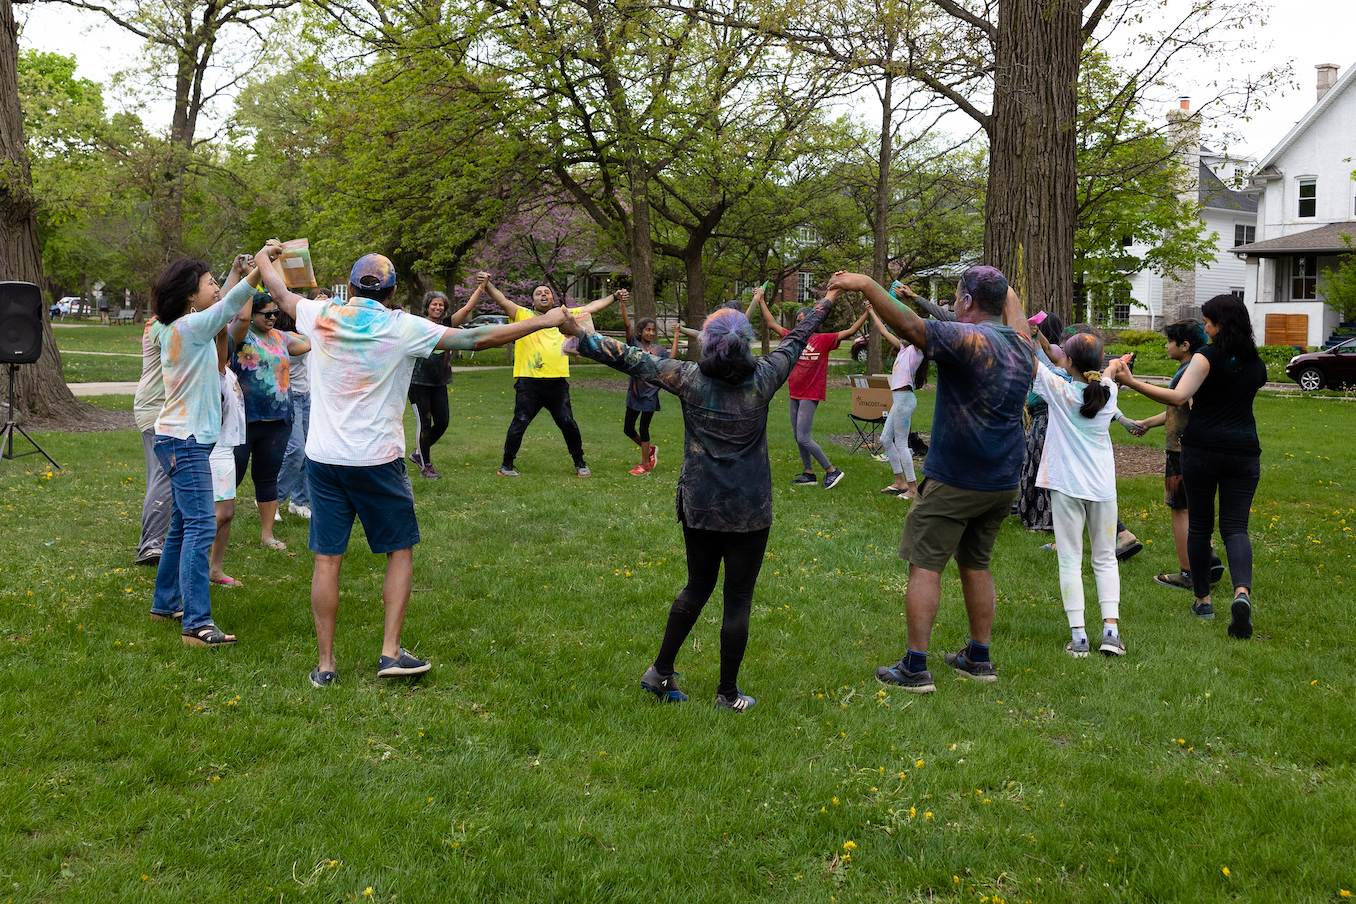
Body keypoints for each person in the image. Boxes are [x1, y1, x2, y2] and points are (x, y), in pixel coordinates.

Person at [254, 246, 575, 687]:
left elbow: (277, 289)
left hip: (325, 459)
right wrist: (546, 319)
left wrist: (264, 255)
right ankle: (389, 653)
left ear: (350, 287)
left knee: (327, 561)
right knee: (398, 550)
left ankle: (326, 666)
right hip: (377, 461)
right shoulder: (401, 326)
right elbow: (474, 340)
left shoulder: (321, 314)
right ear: (391, 291)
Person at [564, 287, 843, 711]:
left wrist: (579, 336)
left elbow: (629, 358)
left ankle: (660, 672)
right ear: (745, 342)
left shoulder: (688, 378)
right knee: (738, 598)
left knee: (697, 586)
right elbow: (797, 337)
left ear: (708, 344)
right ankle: (727, 694)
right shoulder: (765, 376)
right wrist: (828, 298)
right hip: (749, 510)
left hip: (700, 503)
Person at [828, 267, 1033, 693]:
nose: (956, 303)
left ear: (968, 302)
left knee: (926, 565)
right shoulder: (1022, 346)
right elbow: (1008, 308)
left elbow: (909, 325)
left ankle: (915, 668)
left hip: (956, 479)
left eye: (958, 296)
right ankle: (979, 657)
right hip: (1002, 480)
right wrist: (1003, 291)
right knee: (977, 564)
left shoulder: (968, 338)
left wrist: (866, 284)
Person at [1111, 294, 1266, 639]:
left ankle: (1203, 601)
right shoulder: (1256, 362)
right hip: (1244, 451)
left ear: (1221, 324)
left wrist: (1132, 383)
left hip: (1202, 450)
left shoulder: (1205, 357)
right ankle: (1242, 594)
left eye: (1209, 322)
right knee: (1236, 528)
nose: (1205, 328)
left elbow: (1180, 397)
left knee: (1199, 525)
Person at [149, 255, 261, 646]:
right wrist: (259, 270)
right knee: (201, 526)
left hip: (177, 438)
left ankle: (166, 603)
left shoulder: (174, 327)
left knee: (183, 524)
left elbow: (219, 305)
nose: (217, 287)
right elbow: (228, 307)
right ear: (189, 295)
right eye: (210, 282)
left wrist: (235, 273)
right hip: (187, 441)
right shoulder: (193, 327)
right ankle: (197, 623)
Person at [1031, 329, 1127, 657]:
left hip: (1068, 487)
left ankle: (1080, 638)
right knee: (1105, 559)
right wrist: (1113, 368)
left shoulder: (1059, 389)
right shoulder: (1110, 391)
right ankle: (1111, 633)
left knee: (1070, 559)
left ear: (1068, 362)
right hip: (1102, 489)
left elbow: (1029, 360)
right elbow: (1107, 378)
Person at [483, 278, 624, 478]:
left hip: (557, 383)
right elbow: (502, 301)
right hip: (528, 382)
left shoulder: (564, 315)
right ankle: (506, 466)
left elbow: (593, 307)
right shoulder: (523, 315)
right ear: (532, 301)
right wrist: (487, 284)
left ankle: (580, 463)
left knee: (568, 424)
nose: (543, 294)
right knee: (519, 422)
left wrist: (614, 296)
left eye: (546, 292)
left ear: (553, 298)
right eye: (538, 293)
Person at [1127, 320, 1225, 591]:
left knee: (1180, 509)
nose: (1167, 346)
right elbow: (1177, 409)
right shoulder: (1201, 369)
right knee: (1197, 507)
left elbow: (1183, 402)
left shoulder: (1187, 373)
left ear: (1184, 345)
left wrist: (1132, 382)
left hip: (1183, 451)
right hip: (1203, 450)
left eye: (1170, 341)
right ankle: (1208, 555)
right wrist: (1147, 422)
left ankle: (1189, 572)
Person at [757, 286, 867, 489]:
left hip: (811, 393)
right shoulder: (792, 337)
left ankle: (832, 471)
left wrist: (868, 312)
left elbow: (851, 331)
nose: (799, 324)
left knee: (803, 436)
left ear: (812, 322)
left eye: (802, 321)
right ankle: (808, 473)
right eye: (798, 321)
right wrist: (761, 299)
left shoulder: (824, 340)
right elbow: (771, 322)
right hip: (795, 393)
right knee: (797, 435)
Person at [227, 289, 311, 550]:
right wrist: (250, 287)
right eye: (267, 313)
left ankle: (267, 535)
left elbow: (308, 342)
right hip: (245, 419)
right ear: (251, 316)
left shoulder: (281, 338)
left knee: (267, 478)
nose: (273, 317)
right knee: (231, 477)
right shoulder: (240, 335)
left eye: (276, 312)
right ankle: (213, 533)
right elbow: (238, 319)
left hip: (277, 421)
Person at [408, 281, 484, 479]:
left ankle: (418, 453)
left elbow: (467, 308)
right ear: (427, 307)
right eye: (434, 304)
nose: (438, 307)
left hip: (440, 381)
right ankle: (426, 465)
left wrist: (481, 288)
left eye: (441, 304)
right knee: (424, 423)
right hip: (418, 382)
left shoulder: (448, 324)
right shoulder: (419, 325)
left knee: (442, 422)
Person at [870, 307, 926, 498]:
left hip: (905, 400)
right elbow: (885, 331)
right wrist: (872, 311)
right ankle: (900, 482)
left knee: (901, 443)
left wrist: (903, 305)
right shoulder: (903, 350)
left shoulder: (917, 351)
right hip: (898, 400)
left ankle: (913, 489)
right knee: (886, 439)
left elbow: (914, 327)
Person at [274, 298, 319, 519]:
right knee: (296, 450)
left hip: (305, 395)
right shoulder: (281, 337)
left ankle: (300, 501)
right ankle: (272, 499)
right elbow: (309, 342)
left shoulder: (304, 333)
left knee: (309, 452)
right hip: (288, 397)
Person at [617, 291, 671, 475]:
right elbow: (626, 325)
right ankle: (650, 450)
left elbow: (670, 359)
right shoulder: (633, 345)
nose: (651, 333)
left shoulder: (658, 349)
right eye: (648, 329)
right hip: (634, 394)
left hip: (650, 395)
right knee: (628, 428)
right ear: (640, 331)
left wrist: (677, 334)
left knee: (644, 427)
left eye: (653, 330)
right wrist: (623, 304)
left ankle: (644, 465)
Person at [209, 330, 247, 588]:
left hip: (226, 447)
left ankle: (214, 569)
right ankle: (189, 562)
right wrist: (221, 320)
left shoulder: (228, 372)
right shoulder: (215, 373)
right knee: (222, 513)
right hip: (215, 449)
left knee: (227, 514)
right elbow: (226, 332)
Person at [132, 315, 170, 566]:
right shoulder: (159, 325)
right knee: (164, 475)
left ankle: (154, 539)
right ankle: (151, 544)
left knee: (160, 476)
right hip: (156, 409)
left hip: (167, 408)